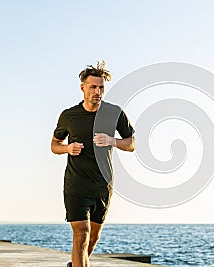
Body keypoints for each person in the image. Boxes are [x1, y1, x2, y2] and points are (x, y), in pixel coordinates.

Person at [51, 61, 135, 267]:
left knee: (93, 238)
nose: (97, 92)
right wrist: (67, 149)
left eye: (101, 88)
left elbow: (131, 143)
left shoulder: (114, 113)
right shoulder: (68, 116)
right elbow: (55, 144)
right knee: (81, 234)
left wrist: (112, 140)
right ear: (83, 88)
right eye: (93, 87)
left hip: (103, 186)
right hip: (76, 185)